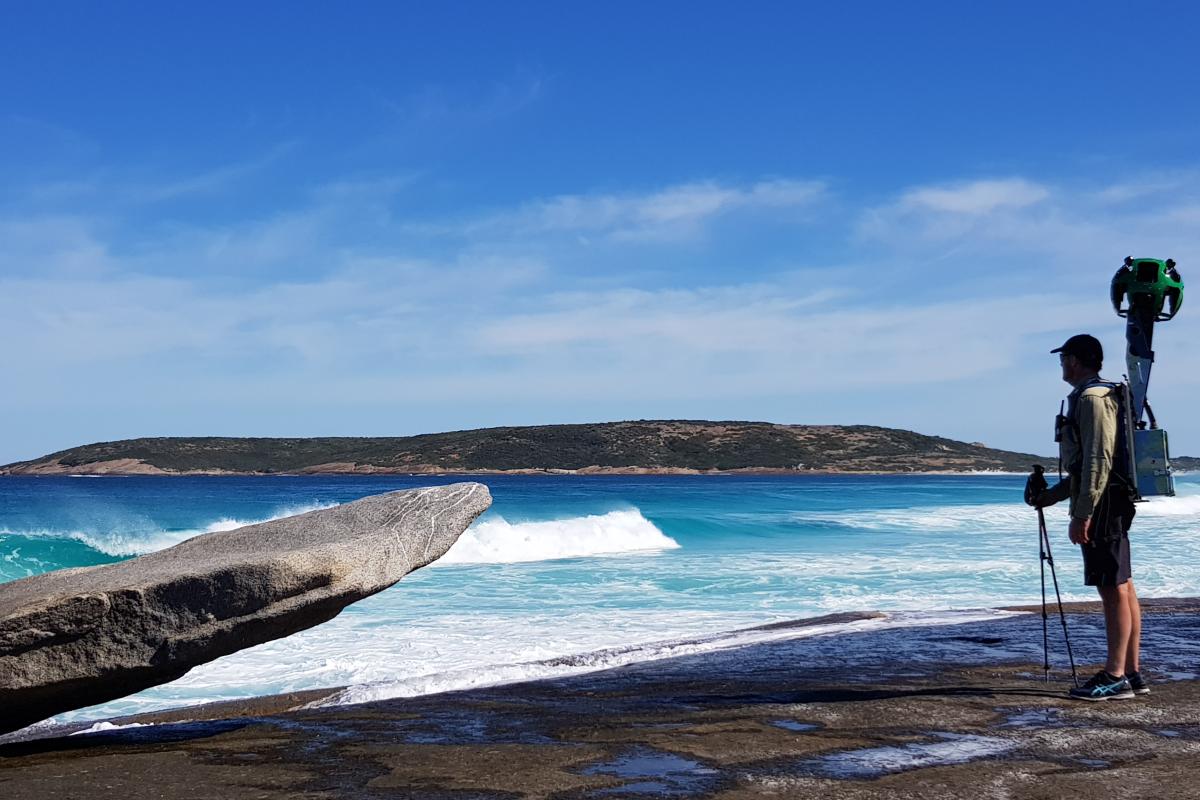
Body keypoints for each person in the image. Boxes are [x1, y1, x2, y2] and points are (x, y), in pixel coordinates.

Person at [1035, 333, 1146, 701]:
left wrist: (1082, 514)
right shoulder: (1101, 395)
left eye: (1064, 358)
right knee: (1122, 583)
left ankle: (1115, 676)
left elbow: (1098, 460)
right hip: (1111, 498)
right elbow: (1088, 467)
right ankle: (1131, 672)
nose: (1062, 365)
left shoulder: (1091, 399)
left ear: (1076, 360)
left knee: (1112, 588)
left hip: (1103, 504)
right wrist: (1050, 497)